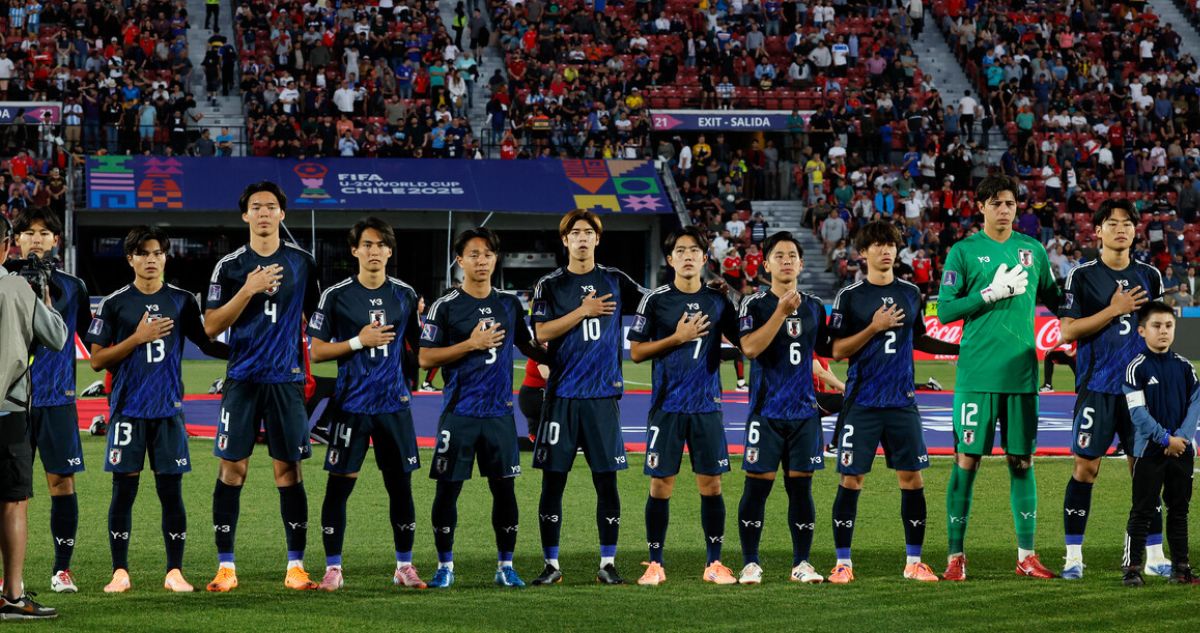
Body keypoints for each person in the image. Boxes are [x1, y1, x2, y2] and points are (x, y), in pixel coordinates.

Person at [85, 226, 229, 593]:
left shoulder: (182, 300)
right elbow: (97, 361)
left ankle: (174, 572)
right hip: (128, 413)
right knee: (123, 492)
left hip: (168, 412)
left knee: (171, 492)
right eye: (143, 254)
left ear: (166, 257)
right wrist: (136, 338)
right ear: (130, 259)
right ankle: (120, 571)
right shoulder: (114, 303)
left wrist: (246, 351)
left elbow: (207, 344)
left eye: (158, 253)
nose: (151, 260)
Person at [937, 176, 1063, 580]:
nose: (1004, 210)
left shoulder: (1033, 250)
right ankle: (955, 556)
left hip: (1021, 376)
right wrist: (989, 294)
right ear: (981, 207)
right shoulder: (964, 251)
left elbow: (1059, 301)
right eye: (996, 203)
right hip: (976, 374)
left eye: (1010, 203)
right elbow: (944, 312)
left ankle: (1026, 555)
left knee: (1022, 461)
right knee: (966, 460)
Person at [826, 221, 960, 584]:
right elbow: (836, 351)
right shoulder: (850, 296)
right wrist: (873, 327)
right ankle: (843, 564)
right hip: (862, 402)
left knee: (912, 479)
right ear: (863, 252)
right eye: (879, 245)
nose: (887, 251)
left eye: (891, 245)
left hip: (901, 402)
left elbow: (921, 339)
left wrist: (960, 350)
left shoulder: (911, 293)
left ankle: (913, 562)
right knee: (851, 479)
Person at [202, 181, 321, 592]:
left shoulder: (303, 263)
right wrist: (248, 289)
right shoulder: (230, 266)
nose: (265, 213)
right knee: (232, 470)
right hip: (243, 380)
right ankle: (226, 567)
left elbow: (319, 323)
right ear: (245, 216)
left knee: (288, 471)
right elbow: (212, 325)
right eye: (257, 207)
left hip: (286, 382)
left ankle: (296, 566)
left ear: (282, 215)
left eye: (272, 206)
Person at [418, 228, 548, 589]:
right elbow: (426, 356)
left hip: (499, 415)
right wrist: (470, 343)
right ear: (460, 260)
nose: (481, 260)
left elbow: (529, 345)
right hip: (459, 413)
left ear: (496, 259)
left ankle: (505, 565)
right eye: (473, 254)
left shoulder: (508, 303)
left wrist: (566, 355)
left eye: (488, 254)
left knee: (504, 491)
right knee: (448, 491)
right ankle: (445, 566)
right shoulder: (446, 306)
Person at [306, 218, 426, 591]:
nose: (374, 251)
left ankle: (404, 566)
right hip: (351, 407)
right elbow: (318, 352)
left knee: (400, 488)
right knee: (339, 488)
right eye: (367, 245)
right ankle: (333, 568)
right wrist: (359, 341)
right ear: (354, 250)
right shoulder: (336, 295)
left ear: (390, 251)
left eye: (380, 245)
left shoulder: (405, 295)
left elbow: (419, 346)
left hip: (394, 407)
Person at [529, 210, 646, 586]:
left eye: (588, 232)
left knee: (606, 482)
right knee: (553, 482)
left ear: (598, 239)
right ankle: (551, 565)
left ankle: (608, 563)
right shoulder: (550, 285)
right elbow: (542, 331)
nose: (582, 238)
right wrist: (583, 310)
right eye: (575, 233)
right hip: (561, 396)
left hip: (602, 398)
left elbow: (654, 305)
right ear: (564, 241)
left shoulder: (615, 279)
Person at [1056, 199, 1170, 579]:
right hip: (1097, 388)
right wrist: (1114, 309)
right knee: (1085, 469)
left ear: (1135, 231)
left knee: (1146, 472)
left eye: (1127, 224)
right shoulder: (1082, 275)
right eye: (1113, 223)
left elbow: (1159, 330)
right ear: (1099, 230)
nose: (1121, 229)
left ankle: (1153, 556)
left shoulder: (1151, 276)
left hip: (1140, 392)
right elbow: (1067, 331)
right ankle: (1073, 556)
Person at [628, 226, 741, 586]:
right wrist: (677, 337)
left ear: (704, 258)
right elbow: (636, 352)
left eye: (695, 250)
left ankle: (715, 563)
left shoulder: (718, 300)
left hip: (707, 406)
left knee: (711, 485)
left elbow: (746, 343)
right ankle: (655, 564)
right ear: (670, 258)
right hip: (667, 408)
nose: (688, 255)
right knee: (661, 486)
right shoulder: (655, 300)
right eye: (681, 250)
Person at [733, 231, 831, 585]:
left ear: (801, 264)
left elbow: (828, 352)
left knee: (801, 489)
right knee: (757, 488)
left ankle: (802, 563)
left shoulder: (816, 307)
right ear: (766, 264)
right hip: (767, 413)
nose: (786, 260)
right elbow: (751, 349)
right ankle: (750, 563)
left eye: (792, 255)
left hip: (805, 414)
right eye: (779, 255)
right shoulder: (754, 305)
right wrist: (780, 312)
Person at [12, 207, 89, 594]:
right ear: (17, 240)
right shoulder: (7, 282)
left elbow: (90, 338)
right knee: (13, 491)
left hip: (58, 400)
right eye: (29, 232)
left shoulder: (73, 286)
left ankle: (62, 570)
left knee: (61, 483)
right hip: (13, 402)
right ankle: (13, 576)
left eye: (44, 232)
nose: (37, 238)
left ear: (56, 241)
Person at [0, 213, 65, 620]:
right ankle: (12, 595)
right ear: (6, 243)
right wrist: (42, 295)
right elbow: (56, 337)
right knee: (12, 503)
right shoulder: (16, 288)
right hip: (7, 410)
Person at [1121, 302, 1199, 586]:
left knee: (1179, 510)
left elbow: (1195, 405)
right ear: (1142, 330)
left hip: (1181, 451)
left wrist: (1181, 438)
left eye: (1168, 326)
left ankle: (1181, 569)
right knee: (1142, 509)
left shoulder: (1185, 368)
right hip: (1149, 451)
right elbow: (1138, 413)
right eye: (1156, 326)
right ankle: (1132, 570)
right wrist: (1166, 439)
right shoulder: (1135, 368)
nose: (1163, 331)